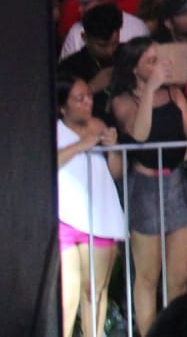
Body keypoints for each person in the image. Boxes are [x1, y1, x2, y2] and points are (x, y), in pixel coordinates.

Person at [110, 37, 187, 334]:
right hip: (144, 185)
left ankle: (175, 332)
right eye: (150, 61)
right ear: (134, 69)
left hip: (175, 179)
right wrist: (150, 90)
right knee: (148, 277)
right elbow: (139, 134)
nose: (158, 64)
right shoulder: (123, 99)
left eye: (157, 57)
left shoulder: (175, 93)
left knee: (177, 278)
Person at [57, 77, 125, 337]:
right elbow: (50, 163)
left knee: (94, 291)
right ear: (63, 107)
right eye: (79, 98)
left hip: (99, 216)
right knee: (68, 294)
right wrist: (80, 145)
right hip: (66, 216)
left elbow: (115, 173)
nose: (88, 102)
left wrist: (114, 148)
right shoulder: (52, 129)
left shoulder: (99, 125)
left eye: (89, 96)